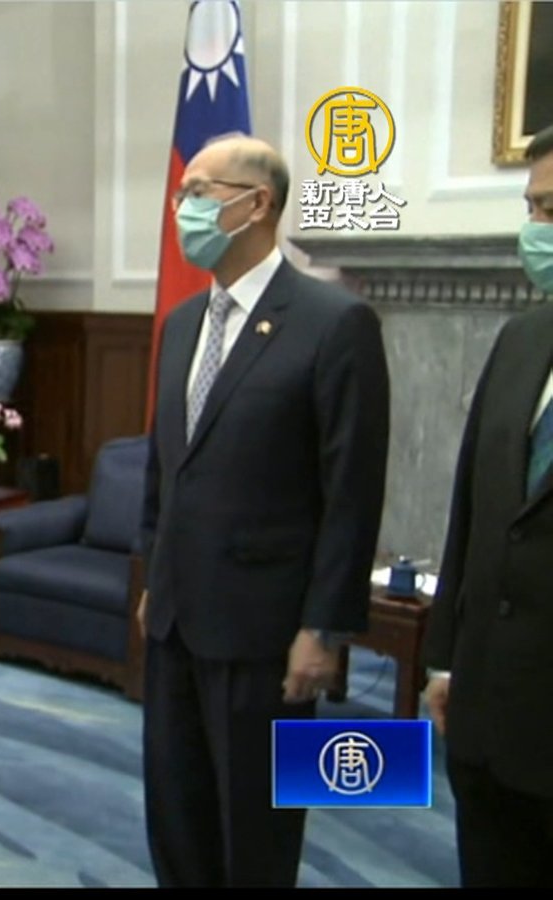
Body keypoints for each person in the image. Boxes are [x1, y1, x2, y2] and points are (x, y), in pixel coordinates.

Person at [137, 133, 391, 887]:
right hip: (176, 619)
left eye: (200, 193)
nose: (183, 208)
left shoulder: (335, 322)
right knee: (175, 815)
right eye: (182, 193)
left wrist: (324, 627)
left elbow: (352, 493)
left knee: (256, 829)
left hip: (266, 632)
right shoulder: (183, 322)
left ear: (258, 205)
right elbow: (165, 466)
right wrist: (152, 573)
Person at [423, 123, 553, 888]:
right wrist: (446, 659)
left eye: (552, 209)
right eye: (532, 207)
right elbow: (470, 512)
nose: (535, 229)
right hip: (488, 721)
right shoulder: (520, 340)